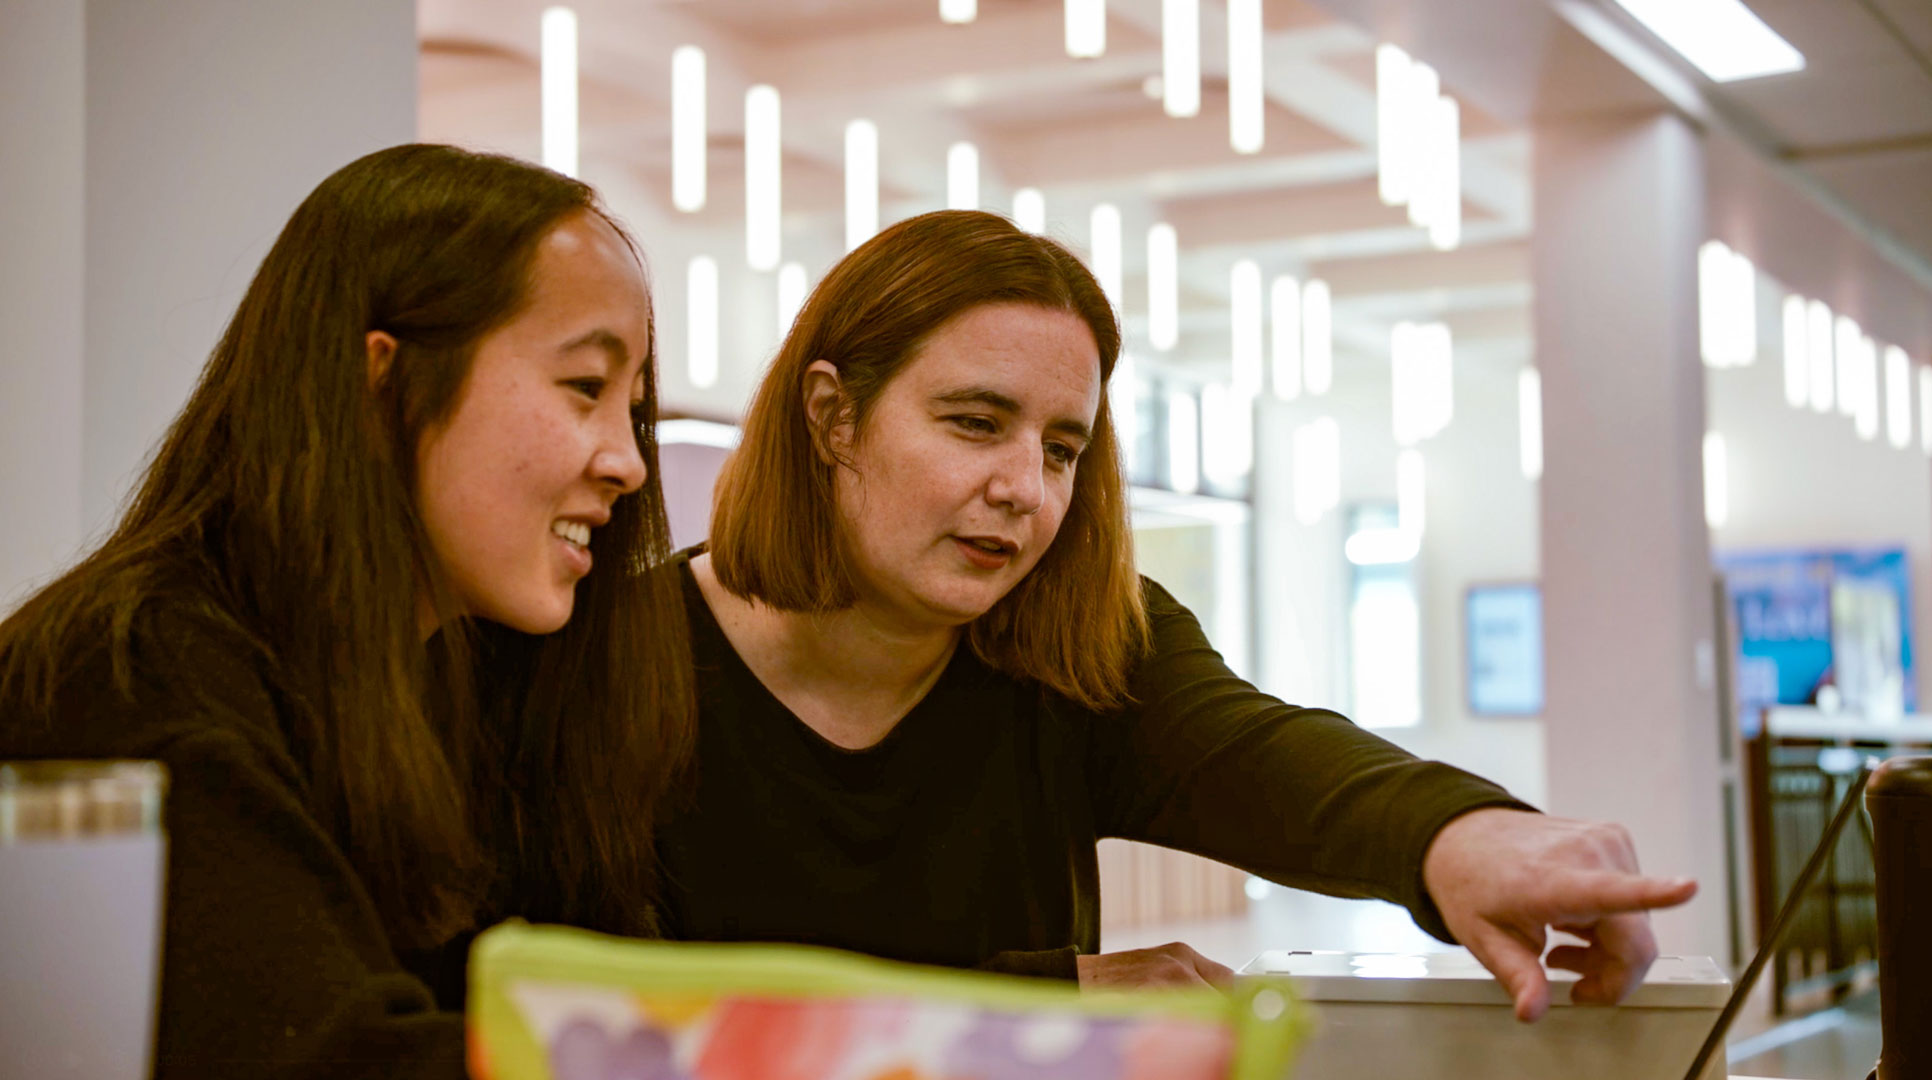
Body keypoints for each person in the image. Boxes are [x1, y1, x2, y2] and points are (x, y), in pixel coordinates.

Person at [659, 209, 1697, 1022]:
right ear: (833, 416)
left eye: (1061, 450)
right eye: (975, 423)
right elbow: (623, 1020)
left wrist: (1461, 835)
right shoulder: (619, 659)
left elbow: (1261, 758)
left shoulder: (1083, 642)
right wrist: (1040, 1000)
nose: (1026, 489)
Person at [0, 144, 693, 1075]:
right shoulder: (125, 678)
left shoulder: (483, 688)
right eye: (584, 389)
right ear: (382, 383)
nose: (629, 463)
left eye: (633, 409)